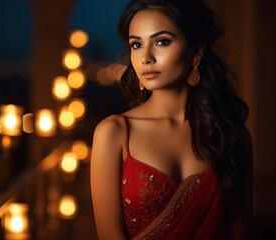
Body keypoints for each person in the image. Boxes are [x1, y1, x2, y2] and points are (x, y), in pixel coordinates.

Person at [90, 0, 253, 239]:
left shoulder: (232, 136)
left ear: (196, 50)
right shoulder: (114, 132)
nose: (145, 57)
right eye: (136, 44)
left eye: (161, 41)